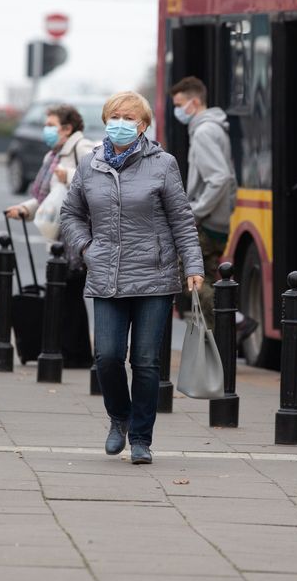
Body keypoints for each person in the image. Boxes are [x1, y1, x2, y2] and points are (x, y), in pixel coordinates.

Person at [60, 91, 203, 465]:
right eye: (115, 115)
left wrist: (193, 266)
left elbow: (182, 219)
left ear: (142, 125)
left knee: (146, 361)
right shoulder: (90, 166)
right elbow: (71, 213)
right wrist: (85, 249)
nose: (120, 122)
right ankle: (118, 417)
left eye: (129, 117)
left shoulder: (163, 164)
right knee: (107, 357)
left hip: (154, 276)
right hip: (106, 273)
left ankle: (140, 437)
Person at [6, 103, 98, 368]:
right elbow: (46, 198)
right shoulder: (52, 156)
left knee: (70, 292)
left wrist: (69, 175)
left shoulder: (82, 149)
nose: (45, 130)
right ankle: (71, 350)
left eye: (50, 125)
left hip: (77, 235)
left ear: (67, 128)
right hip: (60, 236)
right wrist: (25, 208)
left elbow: (98, 179)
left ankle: (77, 353)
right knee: (65, 293)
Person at [168, 76, 256, 341]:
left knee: (189, 275)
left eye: (180, 104)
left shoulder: (205, 132)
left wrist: (195, 213)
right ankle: (219, 338)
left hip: (205, 221)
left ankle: (233, 321)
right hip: (217, 219)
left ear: (194, 102)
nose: (178, 110)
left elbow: (219, 178)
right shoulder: (214, 128)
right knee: (203, 274)